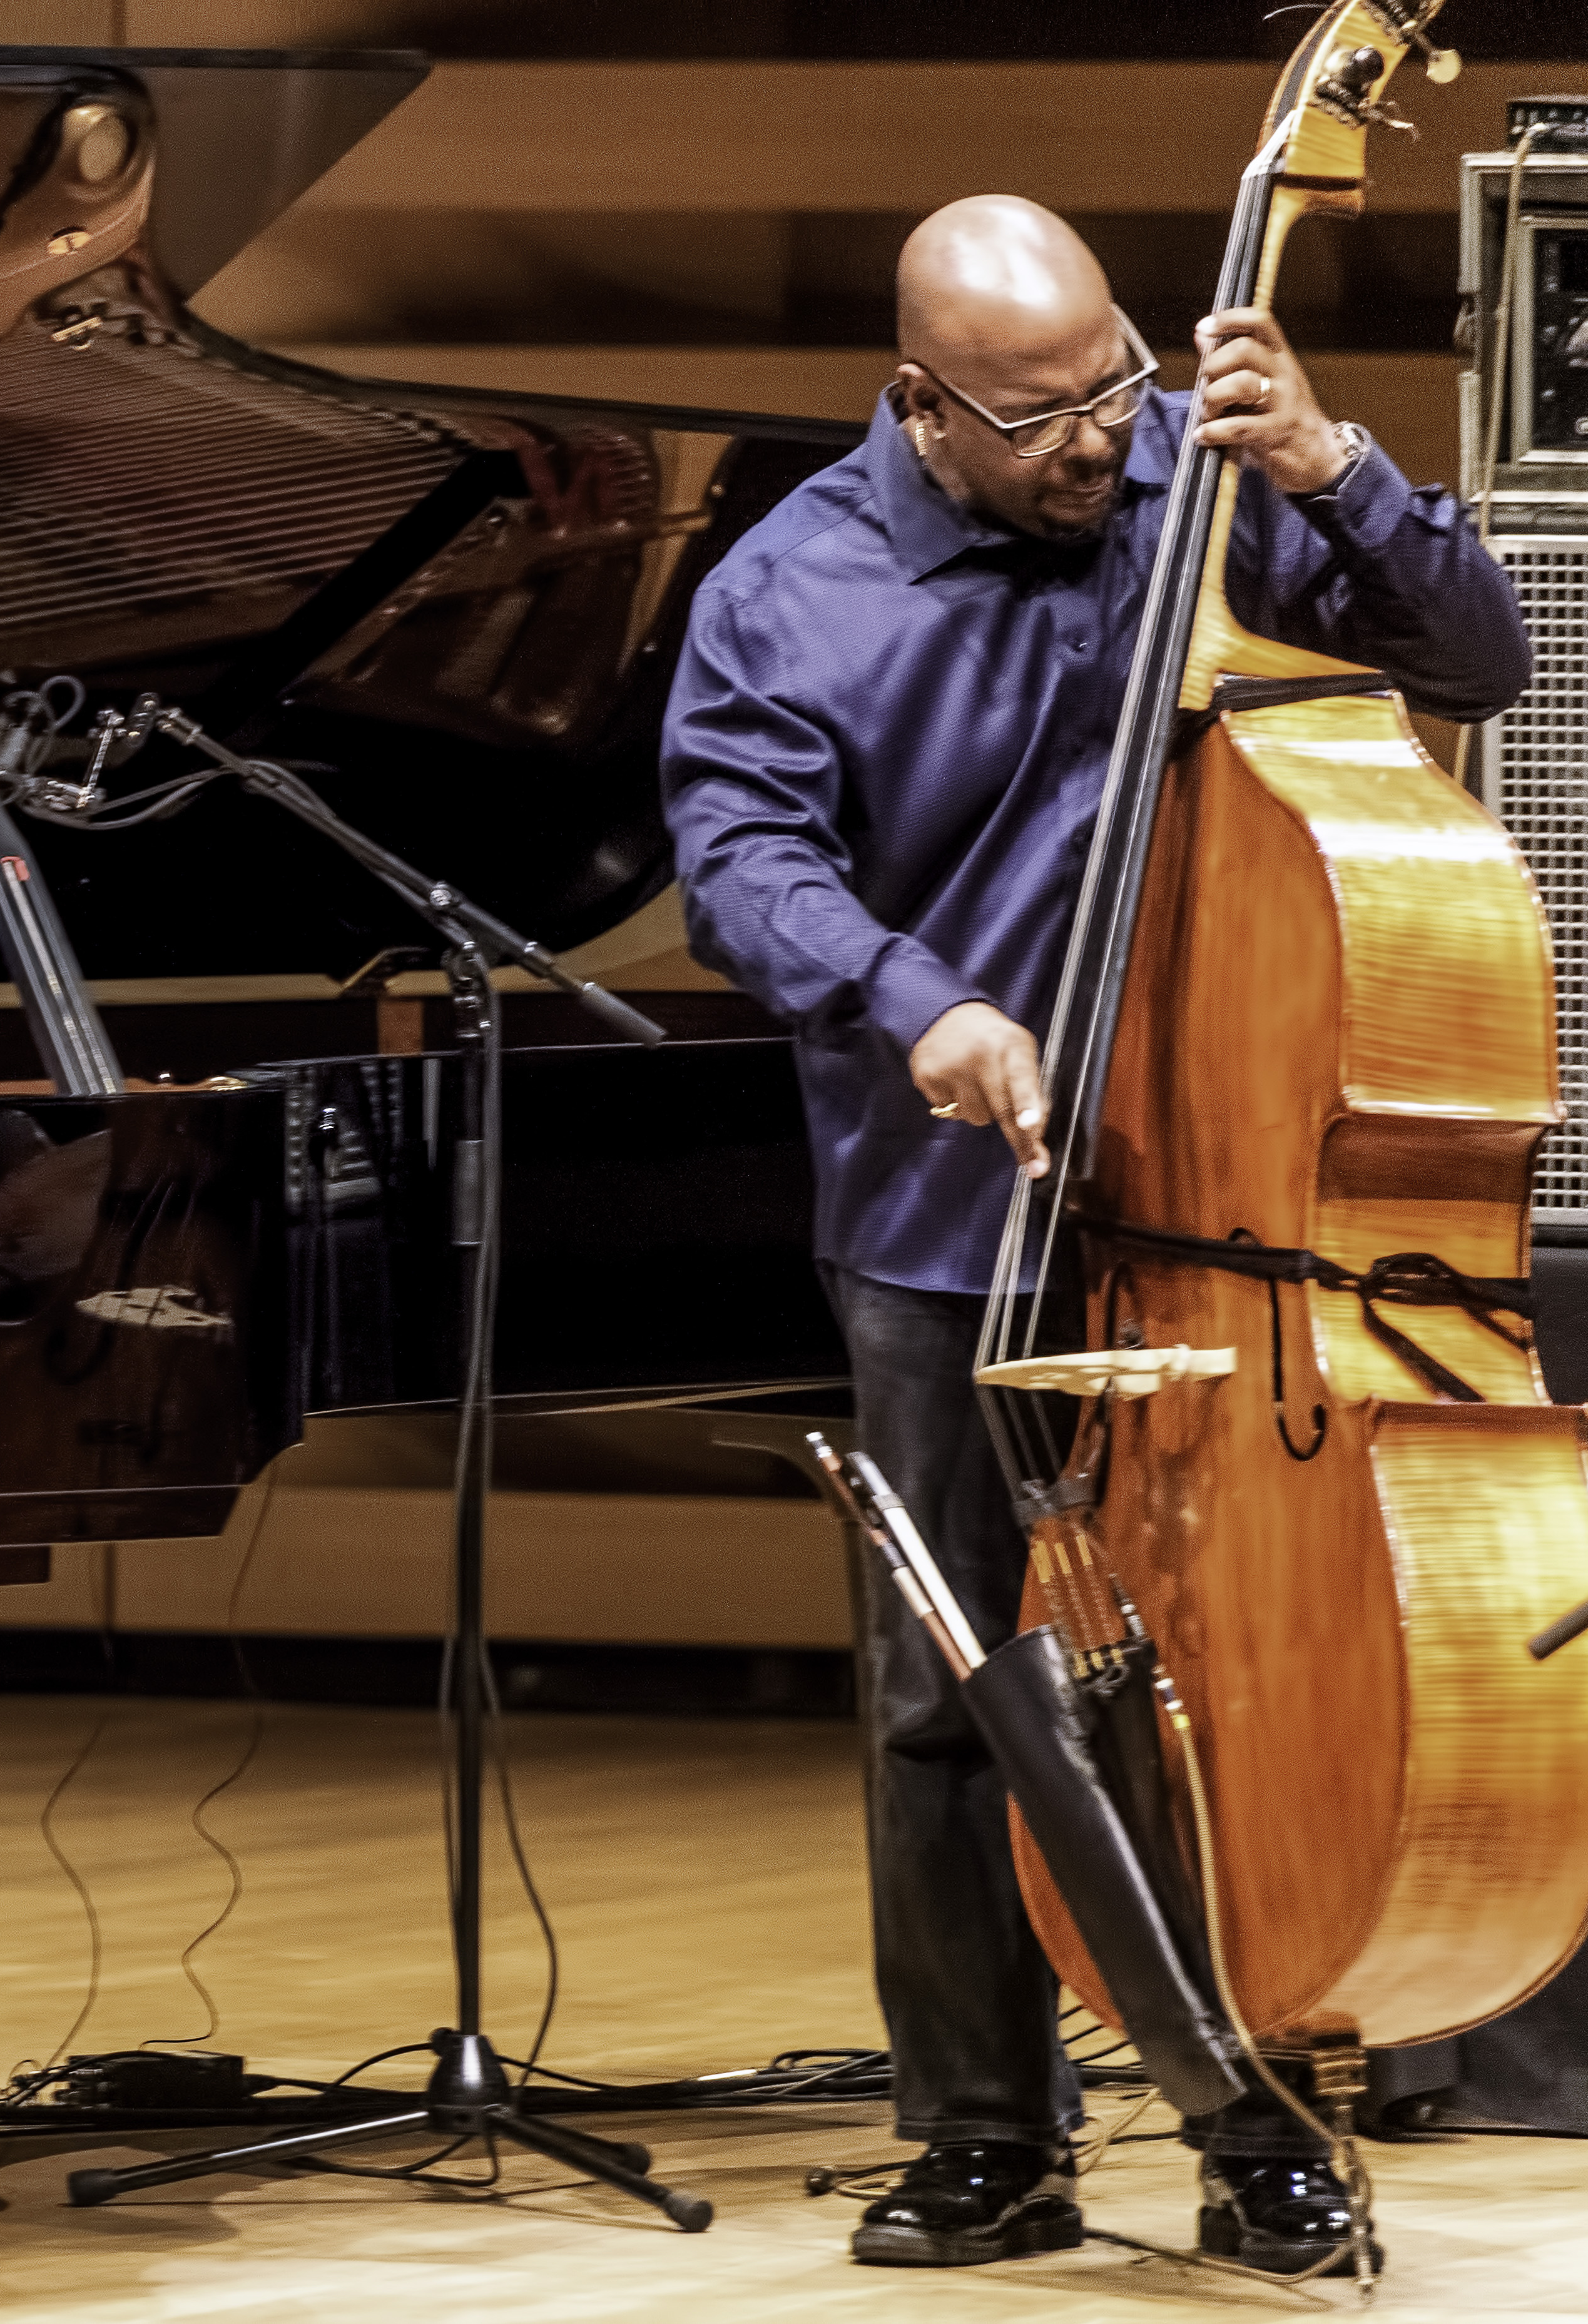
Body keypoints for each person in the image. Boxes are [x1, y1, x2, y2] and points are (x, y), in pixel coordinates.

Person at [663, 197, 1530, 2275]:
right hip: (954, 1219)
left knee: (1234, 1689)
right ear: (920, 404)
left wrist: (1332, 464)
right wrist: (921, 1002)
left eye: (1117, 388)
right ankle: (987, 2135)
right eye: (1042, 419)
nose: (1099, 447)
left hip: (1243, 1216)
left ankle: (1258, 2120)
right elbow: (738, 863)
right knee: (951, 1700)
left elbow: (1476, 653)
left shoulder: (1208, 486)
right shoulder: (791, 590)